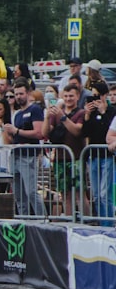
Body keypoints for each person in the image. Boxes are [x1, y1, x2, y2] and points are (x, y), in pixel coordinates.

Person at [3, 79, 46, 217]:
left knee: (31, 192)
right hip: (15, 155)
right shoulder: (17, 114)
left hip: (29, 156)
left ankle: (42, 220)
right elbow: (13, 138)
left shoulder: (35, 110)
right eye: (16, 94)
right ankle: (24, 219)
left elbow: (39, 133)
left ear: (28, 93)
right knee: (19, 194)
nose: (18, 97)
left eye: (21, 94)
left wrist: (16, 131)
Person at [41, 85, 85, 216]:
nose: (68, 99)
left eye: (71, 96)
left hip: (76, 158)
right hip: (60, 159)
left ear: (77, 96)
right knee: (65, 194)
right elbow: (44, 133)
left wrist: (63, 117)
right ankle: (70, 220)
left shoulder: (81, 113)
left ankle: (87, 222)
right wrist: (48, 117)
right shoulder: (56, 113)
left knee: (79, 194)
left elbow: (77, 131)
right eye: (65, 96)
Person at [82, 87, 116, 220]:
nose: (96, 98)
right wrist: (87, 115)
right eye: (94, 95)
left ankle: (108, 223)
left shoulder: (112, 111)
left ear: (105, 95)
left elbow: (108, 130)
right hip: (93, 156)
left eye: (99, 95)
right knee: (96, 194)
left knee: (104, 194)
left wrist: (103, 112)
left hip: (107, 156)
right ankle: (101, 222)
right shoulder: (91, 112)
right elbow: (85, 132)